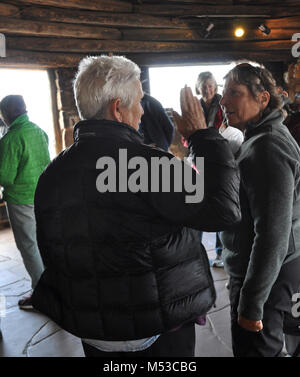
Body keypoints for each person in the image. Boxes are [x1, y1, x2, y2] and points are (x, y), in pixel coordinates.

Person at [31, 55, 241, 358]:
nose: (143, 111)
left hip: (94, 332)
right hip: (155, 331)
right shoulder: (147, 166)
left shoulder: (52, 174)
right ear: (118, 108)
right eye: (139, 102)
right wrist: (203, 138)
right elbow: (224, 210)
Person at [220, 63, 300, 357]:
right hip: (277, 271)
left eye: (234, 93)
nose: (224, 101)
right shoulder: (264, 136)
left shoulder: (267, 147)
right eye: (223, 93)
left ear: (263, 98)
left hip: (270, 277)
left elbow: (272, 234)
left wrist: (252, 303)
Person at [0, 95, 50, 309]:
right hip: (42, 196)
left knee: (29, 247)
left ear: (6, 114)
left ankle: (42, 295)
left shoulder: (11, 138)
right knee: (43, 244)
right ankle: (54, 289)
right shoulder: (39, 131)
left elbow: (5, 177)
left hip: (20, 200)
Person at [195, 71, 230, 268]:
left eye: (210, 85)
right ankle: (197, 252)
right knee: (198, 203)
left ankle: (220, 253)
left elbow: (227, 129)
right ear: (198, 87)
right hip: (199, 158)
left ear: (215, 86)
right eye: (204, 86)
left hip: (219, 157)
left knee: (219, 204)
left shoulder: (223, 104)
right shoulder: (195, 105)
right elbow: (186, 135)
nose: (207, 89)